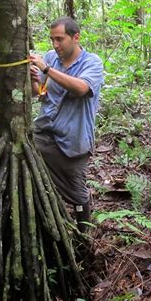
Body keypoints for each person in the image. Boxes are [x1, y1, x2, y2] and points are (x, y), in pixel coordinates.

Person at [29, 17, 104, 232]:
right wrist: (34, 78)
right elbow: (38, 92)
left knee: (77, 193)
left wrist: (46, 70)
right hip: (43, 134)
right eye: (52, 39)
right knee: (36, 180)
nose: (55, 45)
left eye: (60, 39)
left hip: (73, 142)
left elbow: (81, 88)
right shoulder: (51, 58)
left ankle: (84, 235)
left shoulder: (92, 63)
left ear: (76, 38)